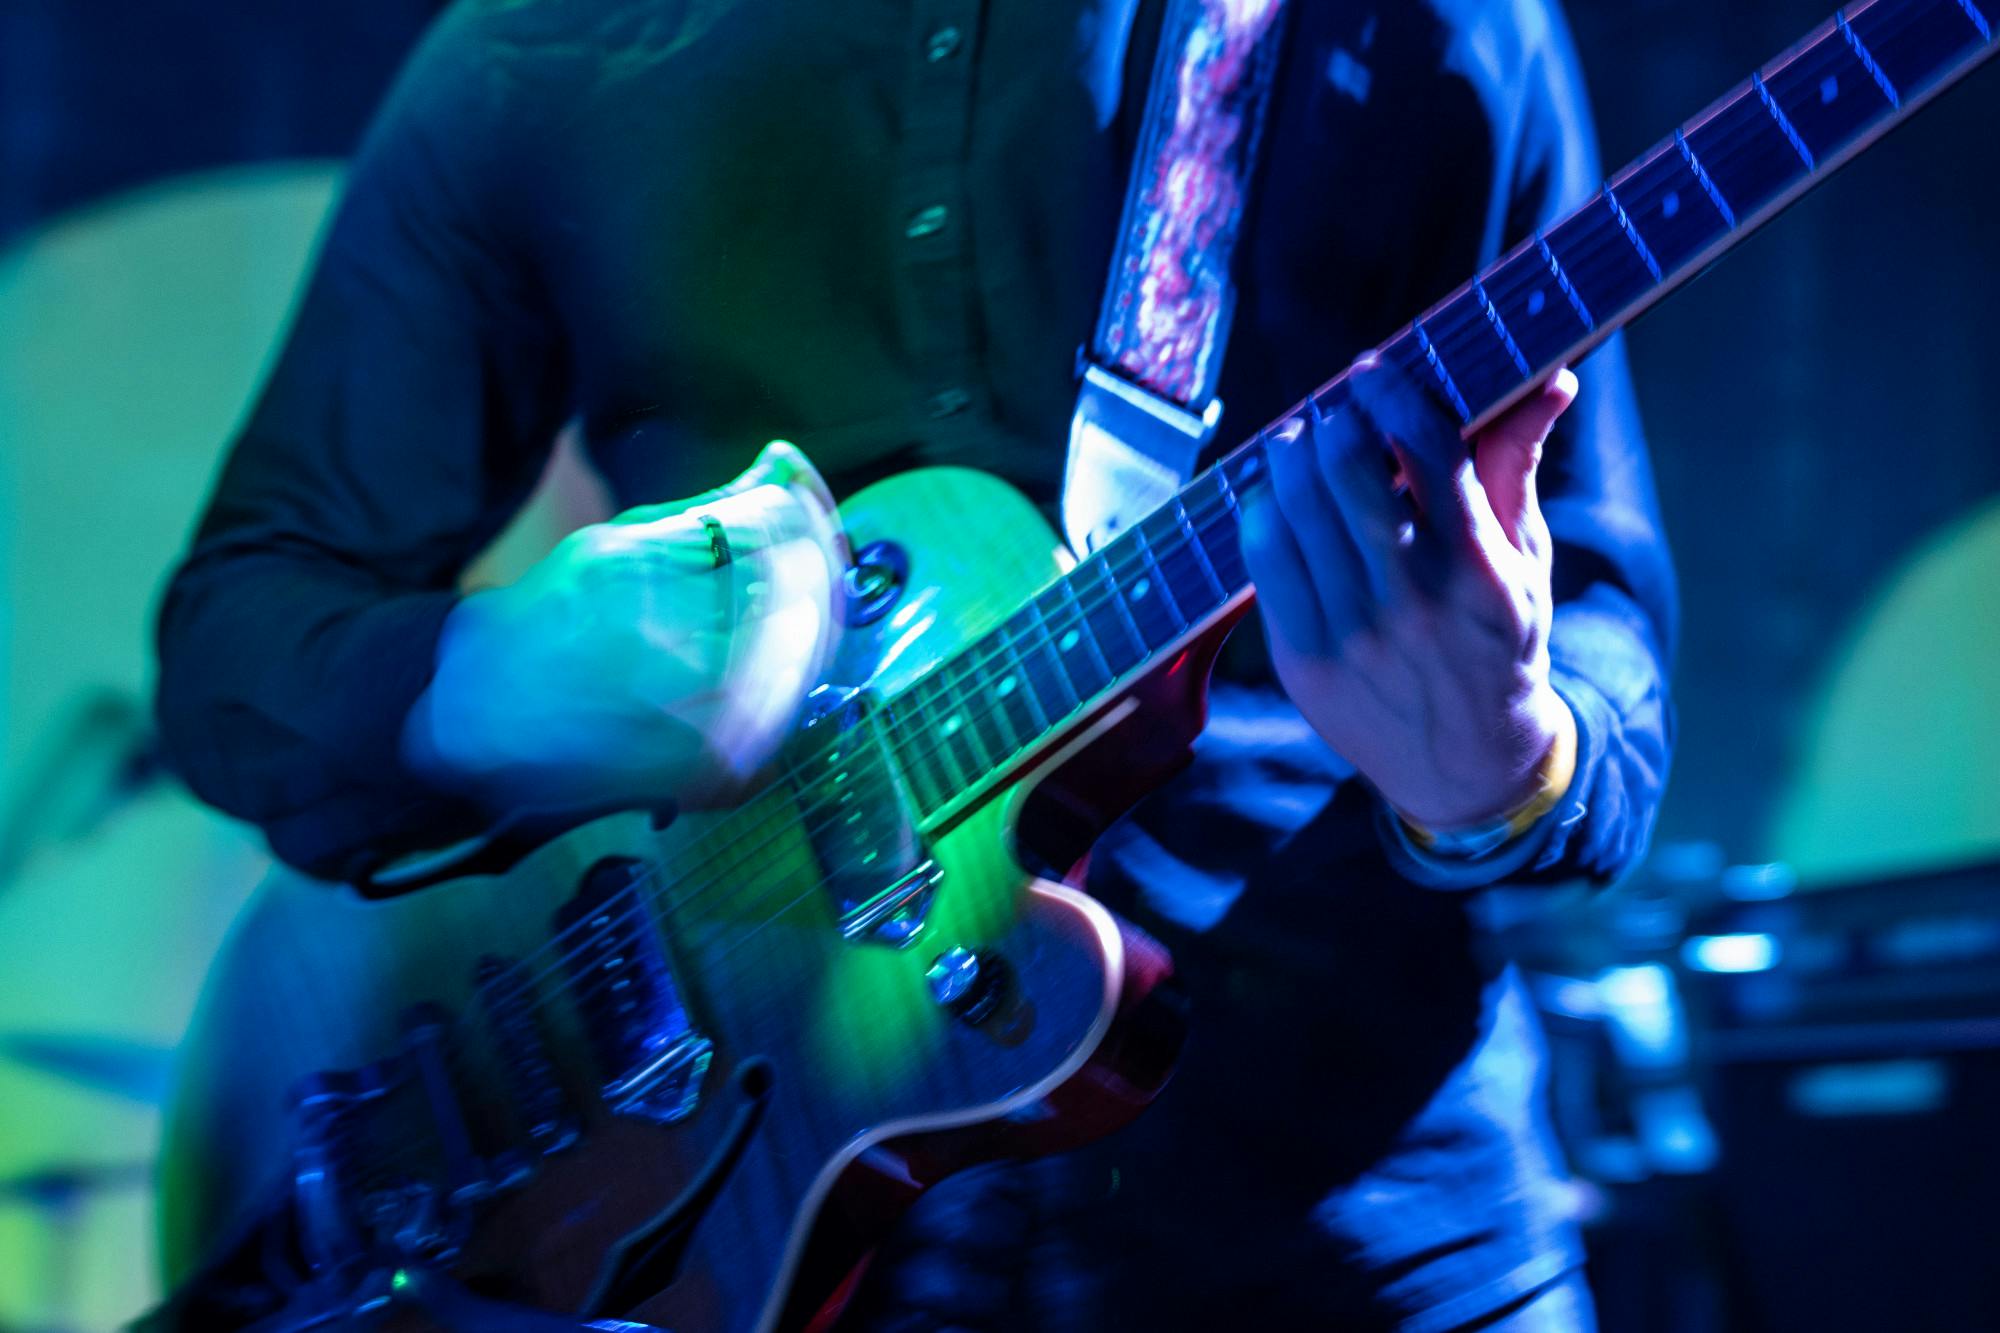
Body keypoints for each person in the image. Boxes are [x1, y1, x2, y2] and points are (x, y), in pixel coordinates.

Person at [154, 0, 1674, 1327]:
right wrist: (482, 677)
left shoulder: (1405, 23)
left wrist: (1507, 762)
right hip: (721, 1215)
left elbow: (1608, 653)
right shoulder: (548, 36)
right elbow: (240, 642)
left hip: (1351, 1230)